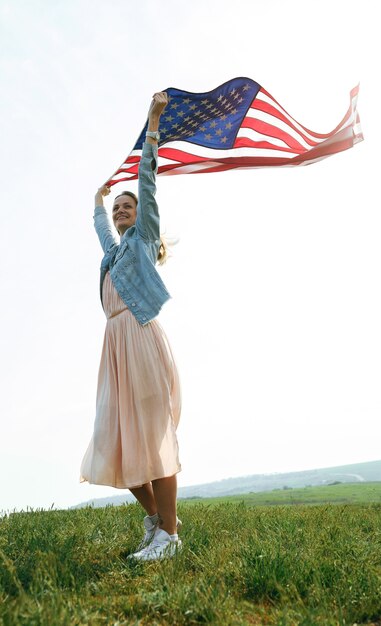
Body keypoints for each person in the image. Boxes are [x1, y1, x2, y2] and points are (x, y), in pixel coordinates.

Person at [80, 92, 182, 562]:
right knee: (115, 440)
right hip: (114, 345)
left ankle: (170, 537)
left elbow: (147, 181)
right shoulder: (111, 253)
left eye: (127, 207)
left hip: (140, 336)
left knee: (152, 434)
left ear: (140, 216)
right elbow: (99, 225)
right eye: (119, 209)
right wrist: (97, 199)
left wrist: (153, 122)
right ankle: (159, 521)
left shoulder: (141, 239)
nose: (122, 211)